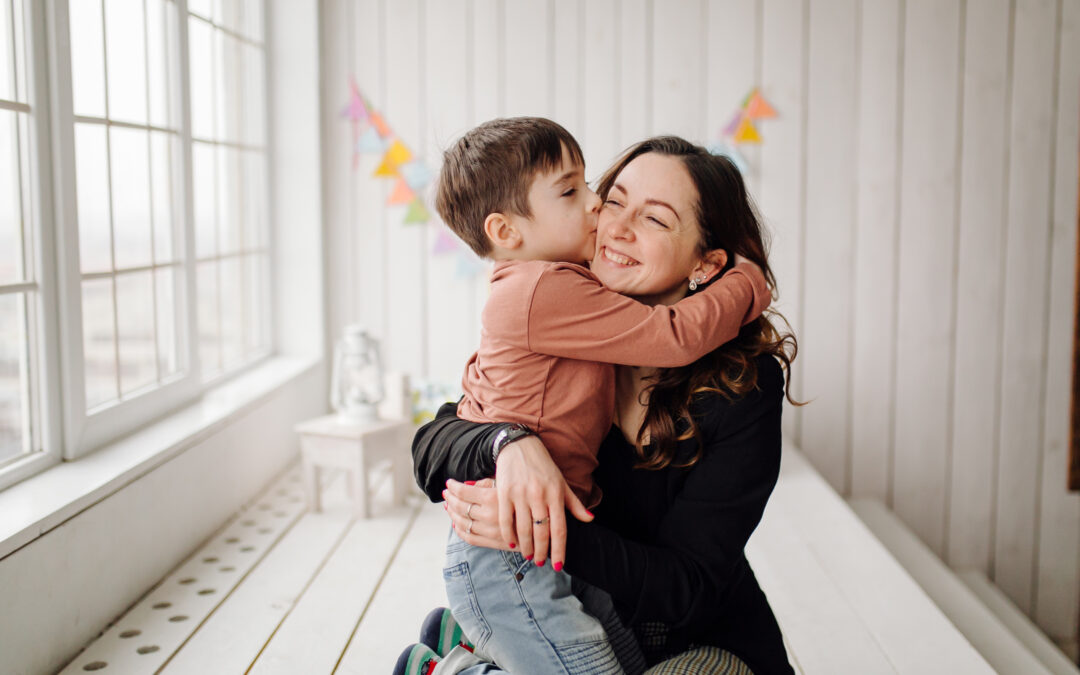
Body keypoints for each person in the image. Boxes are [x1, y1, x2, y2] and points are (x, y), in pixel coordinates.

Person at [396, 119, 770, 675]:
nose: (606, 217)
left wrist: (555, 533)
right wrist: (508, 444)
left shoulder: (741, 385)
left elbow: (687, 583)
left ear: (705, 264)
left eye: (654, 218)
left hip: (674, 622)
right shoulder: (553, 295)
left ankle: (470, 655)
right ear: (506, 229)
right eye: (606, 197)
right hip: (520, 564)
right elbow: (438, 438)